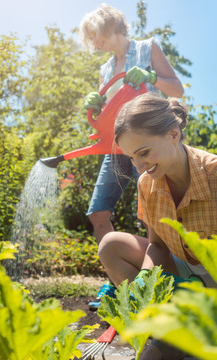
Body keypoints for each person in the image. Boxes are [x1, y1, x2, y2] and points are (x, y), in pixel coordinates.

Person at [78, 3, 184, 310]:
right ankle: (115, 285)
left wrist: (150, 75)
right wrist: (96, 103)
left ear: (111, 27)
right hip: (116, 146)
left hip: (150, 143)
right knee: (97, 213)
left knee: (152, 214)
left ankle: (158, 284)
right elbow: (105, 114)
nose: (94, 43)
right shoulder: (106, 70)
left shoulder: (147, 48)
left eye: (95, 35)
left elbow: (177, 89)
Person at [98, 92, 217, 359]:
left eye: (144, 152)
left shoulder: (214, 175)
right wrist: (143, 281)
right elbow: (157, 245)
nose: (139, 167)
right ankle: (169, 325)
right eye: (131, 157)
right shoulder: (147, 184)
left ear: (174, 134)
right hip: (187, 274)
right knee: (111, 245)